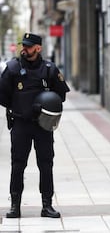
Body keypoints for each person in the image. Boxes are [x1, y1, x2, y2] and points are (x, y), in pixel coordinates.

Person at [0, 33, 70, 218]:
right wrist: (19, 107)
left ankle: (47, 205)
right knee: (18, 165)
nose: (25, 49)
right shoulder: (13, 68)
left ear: (38, 48)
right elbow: (2, 95)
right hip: (21, 124)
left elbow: (60, 95)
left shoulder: (49, 69)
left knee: (46, 164)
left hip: (43, 125)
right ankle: (15, 206)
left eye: (29, 46)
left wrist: (46, 104)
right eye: (24, 45)